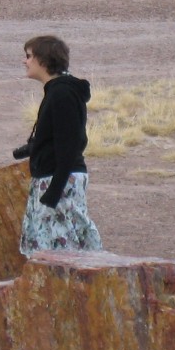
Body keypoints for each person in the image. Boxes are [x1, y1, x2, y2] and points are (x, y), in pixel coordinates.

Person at [16, 35, 102, 257]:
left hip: (59, 178)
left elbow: (70, 145)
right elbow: (58, 136)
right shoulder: (57, 91)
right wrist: (31, 149)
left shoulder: (62, 93)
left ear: (43, 60)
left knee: (59, 247)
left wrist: (54, 191)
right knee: (54, 241)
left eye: (29, 56)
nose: (25, 62)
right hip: (56, 177)